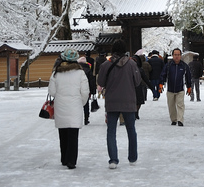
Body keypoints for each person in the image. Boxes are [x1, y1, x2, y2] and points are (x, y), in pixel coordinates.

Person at [96, 41, 141, 169]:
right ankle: (132, 157)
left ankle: (113, 160)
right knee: (131, 130)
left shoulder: (105, 65)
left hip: (112, 102)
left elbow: (101, 82)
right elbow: (137, 82)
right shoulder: (132, 64)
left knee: (111, 131)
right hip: (129, 101)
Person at [48, 48, 90, 169]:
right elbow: (85, 92)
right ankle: (71, 160)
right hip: (75, 105)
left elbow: (52, 91)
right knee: (73, 134)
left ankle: (64, 158)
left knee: (63, 133)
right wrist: (81, 102)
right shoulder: (80, 73)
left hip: (61, 105)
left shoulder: (56, 72)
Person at [160, 48, 192, 126]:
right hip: (170, 89)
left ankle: (180, 120)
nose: (177, 56)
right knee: (171, 106)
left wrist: (189, 87)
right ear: (172, 56)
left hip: (180, 89)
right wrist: (161, 84)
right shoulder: (168, 65)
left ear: (180, 56)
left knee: (180, 105)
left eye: (178, 55)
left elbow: (188, 77)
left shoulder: (184, 66)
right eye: (175, 55)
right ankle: (174, 119)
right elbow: (163, 75)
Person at [78, 55, 96, 125]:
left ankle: (78, 119)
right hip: (86, 89)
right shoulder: (88, 70)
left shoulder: (76, 70)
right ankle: (86, 119)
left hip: (77, 90)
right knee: (86, 104)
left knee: (77, 105)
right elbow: (91, 81)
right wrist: (93, 90)